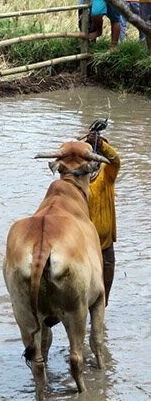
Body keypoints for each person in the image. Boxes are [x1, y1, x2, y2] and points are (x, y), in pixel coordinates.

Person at [86, 128, 121, 306]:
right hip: (84, 246)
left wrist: (100, 143)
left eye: (98, 151)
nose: (95, 154)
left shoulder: (107, 174)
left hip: (105, 245)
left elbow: (115, 160)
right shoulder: (78, 178)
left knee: (103, 296)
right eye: (91, 151)